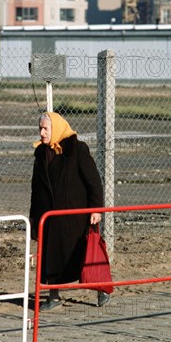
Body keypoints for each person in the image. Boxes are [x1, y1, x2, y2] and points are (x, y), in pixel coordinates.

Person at [30, 112, 110, 310]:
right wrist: (34, 217)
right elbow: (36, 187)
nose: (41, 132)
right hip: (50, 217)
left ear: (56, 128)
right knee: (51, 257)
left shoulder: (77, 149)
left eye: (45, 128)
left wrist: (96, 209)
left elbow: (93, 181)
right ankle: (54, 296)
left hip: (76, 218)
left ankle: (101, 288)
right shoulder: (41, 153)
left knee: (86, 254)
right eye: (40, 128)